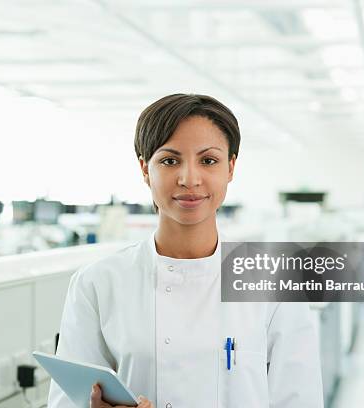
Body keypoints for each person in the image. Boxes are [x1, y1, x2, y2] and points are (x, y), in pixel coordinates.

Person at [48, 94, 323, 408]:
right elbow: (67, 401)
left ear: (230, 167)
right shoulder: (97, 283)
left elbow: (300, 399)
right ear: (144, 168)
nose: (189, 179)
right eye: (169, 160)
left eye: (208, 161)